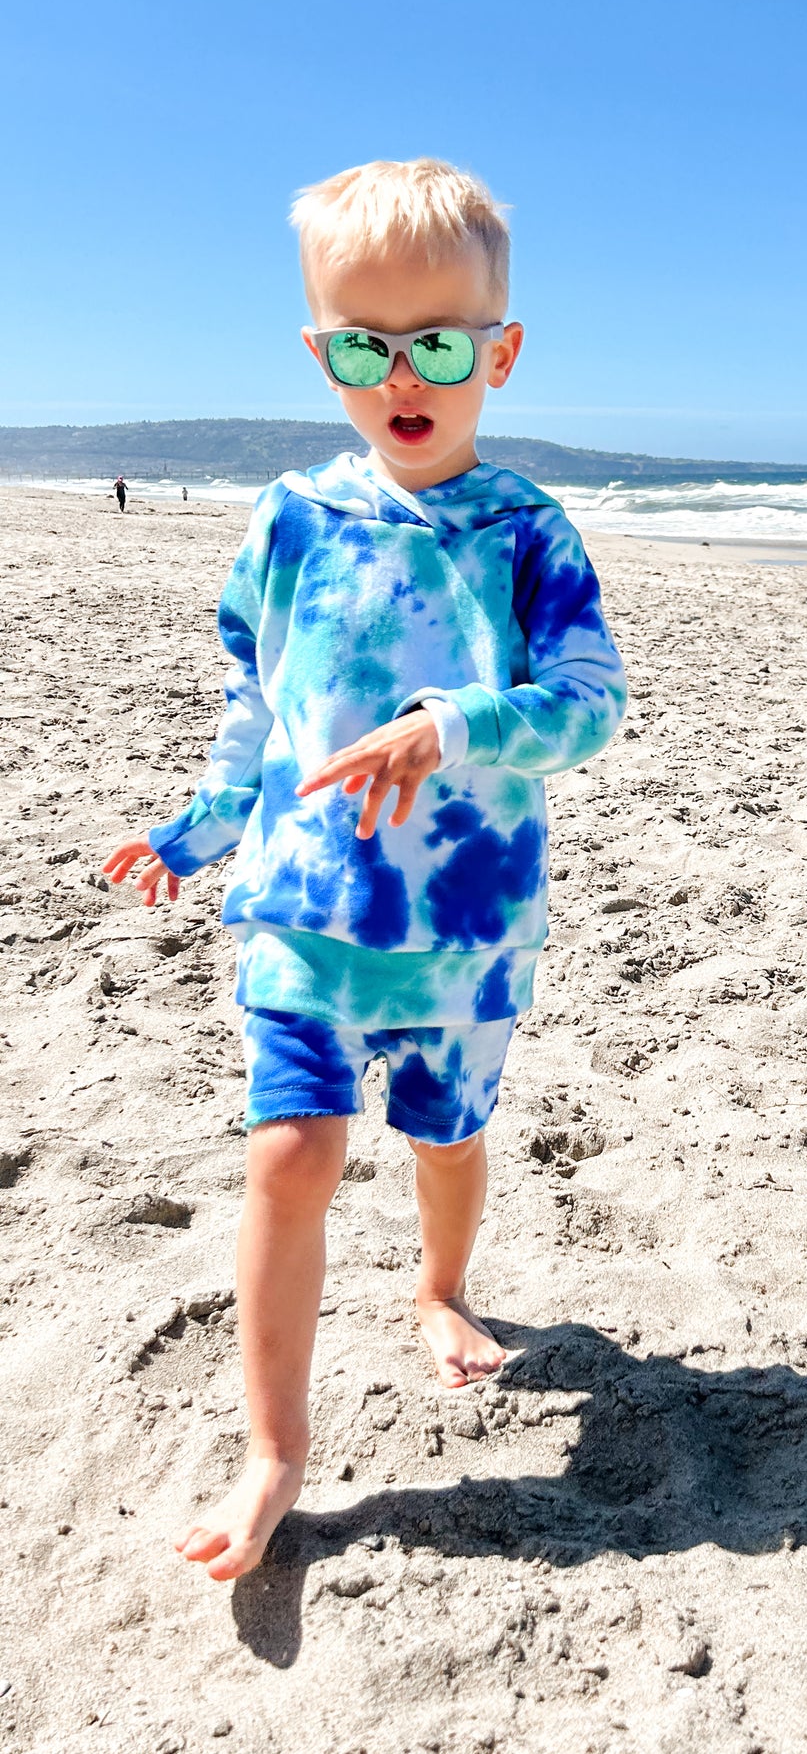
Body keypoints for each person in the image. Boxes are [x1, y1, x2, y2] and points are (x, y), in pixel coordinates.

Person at [102, 157, 627, 1581]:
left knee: (445, 1138)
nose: (404, 374)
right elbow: (254, 710)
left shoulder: (526, 533)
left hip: (464, 926)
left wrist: (450, 725)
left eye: (440, 344)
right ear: (318, 350)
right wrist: (192, 834)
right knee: (291, 1153)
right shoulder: (288, 522)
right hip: (302, 910)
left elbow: (591, 701)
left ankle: (442, 1288)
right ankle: (274, 1448)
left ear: (498, 353)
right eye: (363, 345)